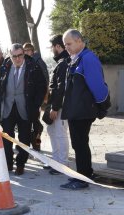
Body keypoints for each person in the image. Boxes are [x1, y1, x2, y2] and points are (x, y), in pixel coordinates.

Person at [60, 29, 110, 190]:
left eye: (69, 43)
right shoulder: (76, 58)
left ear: (79, 41)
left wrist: (102, 106)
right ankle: (84, 173)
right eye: (65, 44)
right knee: (79, 144)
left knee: (80, 144)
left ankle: (83, 178)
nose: (66, 47)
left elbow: (98, 87)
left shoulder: (88, 59)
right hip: (76, 110)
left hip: (83, 111)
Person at [0, 43, 47, 175]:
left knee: (24, 138)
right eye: (14, 56)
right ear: (10, 55)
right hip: (8, 107)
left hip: (25, 108)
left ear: (24, 54)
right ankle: (8, 163)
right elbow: (0, 86)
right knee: (6, 137)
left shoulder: (33, 67)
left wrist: (35, 106)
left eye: (20, 55)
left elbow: (42, 87)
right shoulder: (5, 67)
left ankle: (21, 163)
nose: (17, 59)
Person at [46, 34, 70, 175]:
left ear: (57, 46)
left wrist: (55, 108)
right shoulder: (62, 61)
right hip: (58, 104)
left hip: (60, 106)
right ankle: (56, 161)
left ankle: (62, 163)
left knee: (60, 133)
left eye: (52, 47)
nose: (51, 50)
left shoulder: (63, 63)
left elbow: (60, 88)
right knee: (52, 131)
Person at [23, 42, 49, 151]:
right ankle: (32, 143)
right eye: (24, 51)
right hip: (29, 98)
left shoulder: (38, 62)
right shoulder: (28, 61)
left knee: (36, 123)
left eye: (27, 50)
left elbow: (44, 80)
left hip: (36, 99)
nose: (25, 53)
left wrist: (41, 99)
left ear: (32, 51)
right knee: (32, 122)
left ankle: (36, 144)